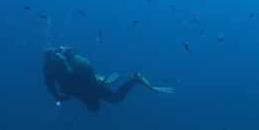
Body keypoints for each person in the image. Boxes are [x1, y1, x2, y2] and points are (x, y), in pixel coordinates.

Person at [42, 46, 173, 112]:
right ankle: (134, 79)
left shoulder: (50, 65)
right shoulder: (66, 58)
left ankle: (134, 79)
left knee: (96, 107)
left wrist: (59, 97)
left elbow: (50, 85)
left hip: (84, 88)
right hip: (90, 83)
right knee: (114, 99)